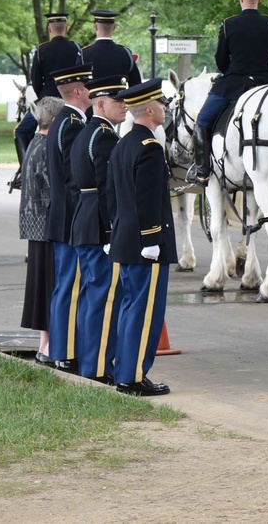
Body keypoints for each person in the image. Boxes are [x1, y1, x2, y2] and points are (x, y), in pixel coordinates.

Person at [107, 78, 176, 396]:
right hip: (144, 245)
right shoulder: (149, 148)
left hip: (124, 239)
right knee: (144, 311)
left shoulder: (122, 144)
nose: (164, 109)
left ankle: (125, 371)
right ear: (150, 110)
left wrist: (112, 232)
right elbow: (147, 200)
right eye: (161, 104)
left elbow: (112, 196)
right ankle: (132, 376)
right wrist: (151, 240)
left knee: (129, 309)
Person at [194, 0, 268, 183]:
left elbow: (221, 60)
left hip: (233, 85)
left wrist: (229, 71)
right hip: (265, 83)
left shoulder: (229, 25)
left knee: (202, 120)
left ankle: (202, 171)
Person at [70, 76, 129, 384]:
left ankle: (90, 362)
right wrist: (111, 232)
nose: (124, 106)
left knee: (93, 298)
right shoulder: (103, 136)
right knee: (104, 299)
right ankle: (98, 368)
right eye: (118, 101)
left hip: (84, 220)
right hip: (98, 225)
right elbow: (108, 189)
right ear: (101, 103)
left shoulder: (87, 132)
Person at [45, 63, 94, 373]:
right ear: (77, 91)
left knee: (65, 286)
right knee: (70, 287)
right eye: (88, 87)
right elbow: (76, 179)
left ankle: (61, 351)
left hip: (62, 216)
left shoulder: (62, 120)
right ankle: (64, 353)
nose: (92, 91)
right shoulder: (74, 124)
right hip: (71, 218)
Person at [18, 96, 64, 367]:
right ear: (56, 121)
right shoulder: (48, 147)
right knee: (49, 287)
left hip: (35, 226)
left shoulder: (34, 142)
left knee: (41, 286)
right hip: (47, 226)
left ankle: (44, 343)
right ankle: (47, 346)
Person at [14, 13, 83, 163]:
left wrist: (43, 99)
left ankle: (26, 168)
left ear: (49, 29)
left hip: (47, 104)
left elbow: (36, 81)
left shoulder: (41, 50)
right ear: (66, 29)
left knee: (20, 131)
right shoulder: (76, 48)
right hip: (72, 102)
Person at [83, 10, 142, 86]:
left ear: (96, 27)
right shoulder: (126, 53)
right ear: (114, 27)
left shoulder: (84, 54)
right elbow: (136, 85)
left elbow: (77, 86)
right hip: (119, 97)